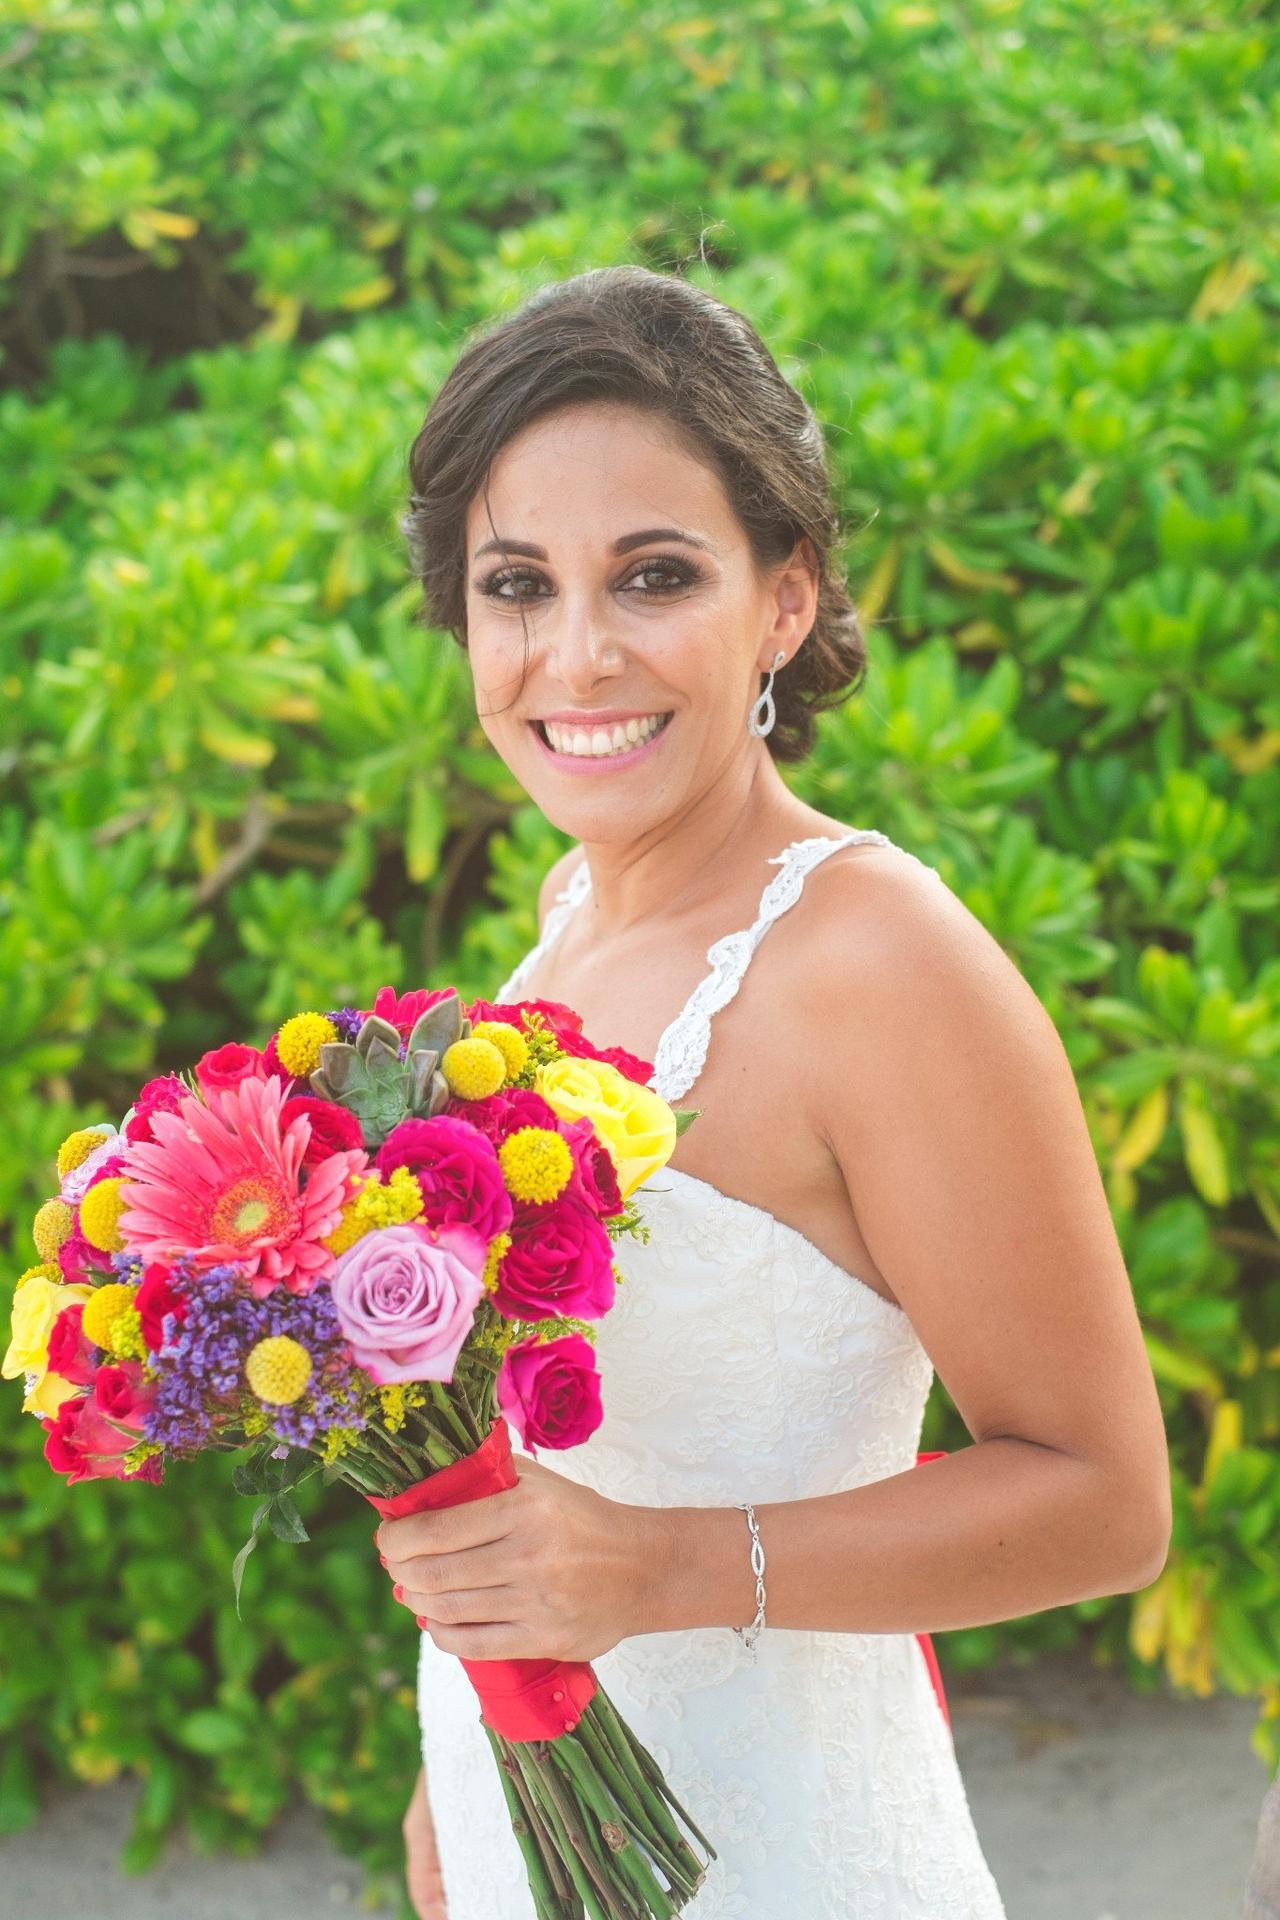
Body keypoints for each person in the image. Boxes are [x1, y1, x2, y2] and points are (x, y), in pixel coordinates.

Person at [379, 264, 1173, 1918]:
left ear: (786, 602)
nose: (576, 655)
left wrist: (658, 1573)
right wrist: (461, 1747)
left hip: (794, 1860)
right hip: (542, 1822)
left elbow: (1106, 1503)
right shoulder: (565, 934)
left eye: (654, 575)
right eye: (516, 585)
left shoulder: (879, 964)